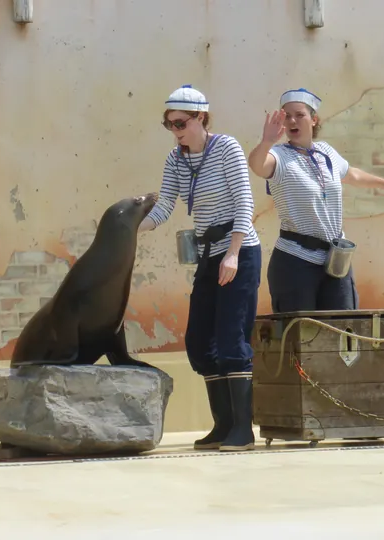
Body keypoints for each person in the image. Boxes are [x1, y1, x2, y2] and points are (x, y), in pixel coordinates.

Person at [138, 85, 262, 452]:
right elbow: (163, 209)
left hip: (239, 252)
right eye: (169, 124)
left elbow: (245, 201)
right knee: (198, 342)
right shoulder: (176, 159)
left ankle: (243, 429)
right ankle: (222, 426)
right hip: (209, 254)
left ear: (201, 119)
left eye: (180, 123)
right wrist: (128, 231)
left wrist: (234, 254)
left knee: (231, 339)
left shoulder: (227, 148)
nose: (175, 130)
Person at [248, 87, 384, 313]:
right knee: (300, 334)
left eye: (300, 115)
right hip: (296, 258)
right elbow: (257, 165)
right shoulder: (279, 156)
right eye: (287, 116)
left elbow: (351, 174)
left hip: (335, 259)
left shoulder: (326, 152)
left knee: (342, 331)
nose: (292, 121)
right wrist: (266, 141)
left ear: (314, 120)